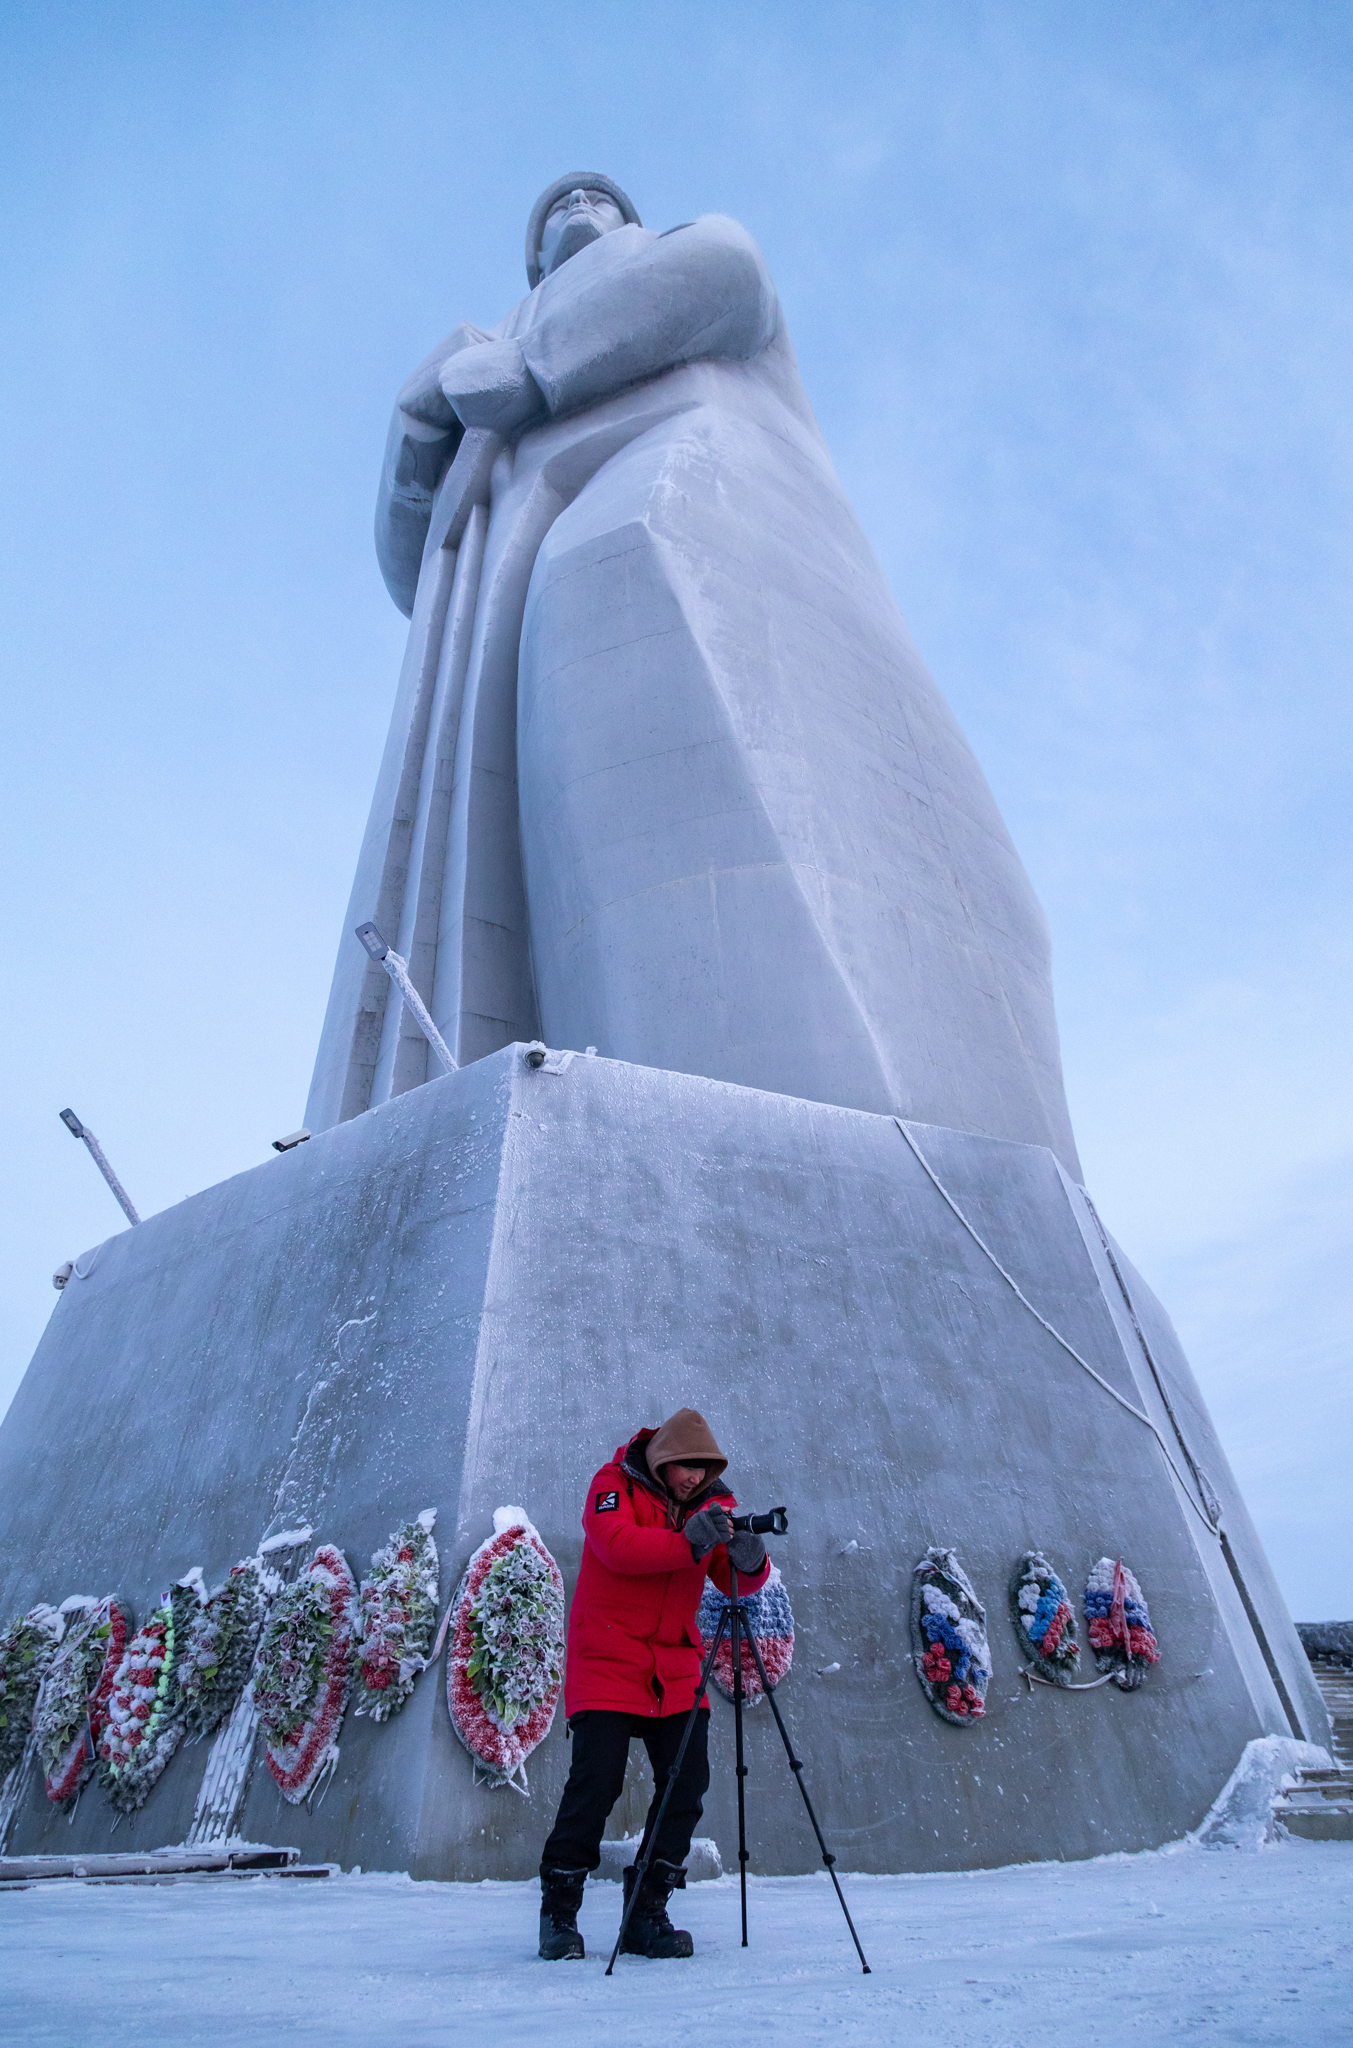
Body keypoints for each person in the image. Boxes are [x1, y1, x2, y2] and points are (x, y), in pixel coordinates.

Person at [537, 1407, 770, 1961]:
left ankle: (647, 1910)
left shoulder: (713, 1508)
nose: (695, 1477)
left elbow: (732, 1580)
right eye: (686, 1466)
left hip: (676, 1666)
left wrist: (749, 1560)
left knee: (686, 1787)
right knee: (596, 1786)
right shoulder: (611, 1485)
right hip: (608, 1660)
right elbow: (617, 1547)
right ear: (663, 1458)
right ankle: (559, 1912)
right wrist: (688, 1541)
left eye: (704, 1469)